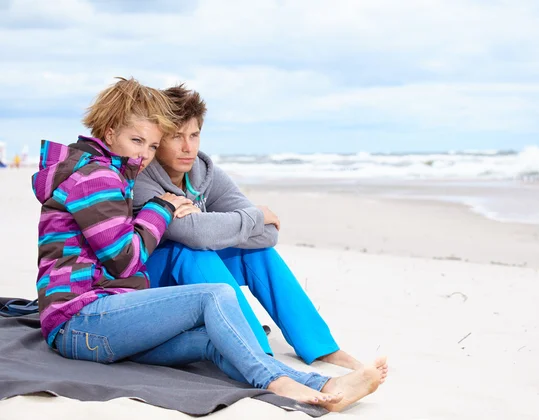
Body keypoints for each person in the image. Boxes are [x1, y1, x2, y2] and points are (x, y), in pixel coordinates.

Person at [32, 77, 385, 411]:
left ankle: (320, 385)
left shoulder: (120, 173)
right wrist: (163, 206)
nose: (145, 154)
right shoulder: (99, 177)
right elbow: (127, 261)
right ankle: (281, 382)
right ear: (111, 133)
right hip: (80, 321)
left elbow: (259, 232)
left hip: (106, 316)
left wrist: (237, 221)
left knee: (213, 340)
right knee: (212, 293)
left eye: (151, 145)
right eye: (139, 142)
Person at [133, 85, 363, 370]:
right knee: (192, 249)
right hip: (147, 286)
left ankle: (320, 347)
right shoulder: (142, 179)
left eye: (194, 135)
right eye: (175, 137)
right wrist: (254, 216)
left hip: (196, 275)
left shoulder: (206, 174)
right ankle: (257, 354)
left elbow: (269, 234)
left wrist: (221, 223)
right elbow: (193, 234)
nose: (187, 147)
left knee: (257, 253)